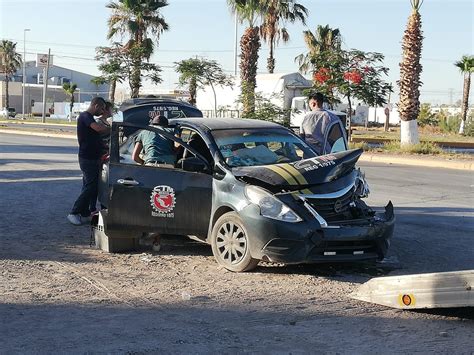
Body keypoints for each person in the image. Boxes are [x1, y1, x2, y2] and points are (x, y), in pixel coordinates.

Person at [67, 97, 109, 226]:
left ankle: (84, 213)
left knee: (89, 186)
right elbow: (98, 128)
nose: (102, 111)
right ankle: (74, 213)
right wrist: (113, 127)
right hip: (87, 158)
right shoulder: (85, 116)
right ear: (96, 105)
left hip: (93, 157)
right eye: (102, 108)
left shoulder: (89, 117)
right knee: (90, 187)